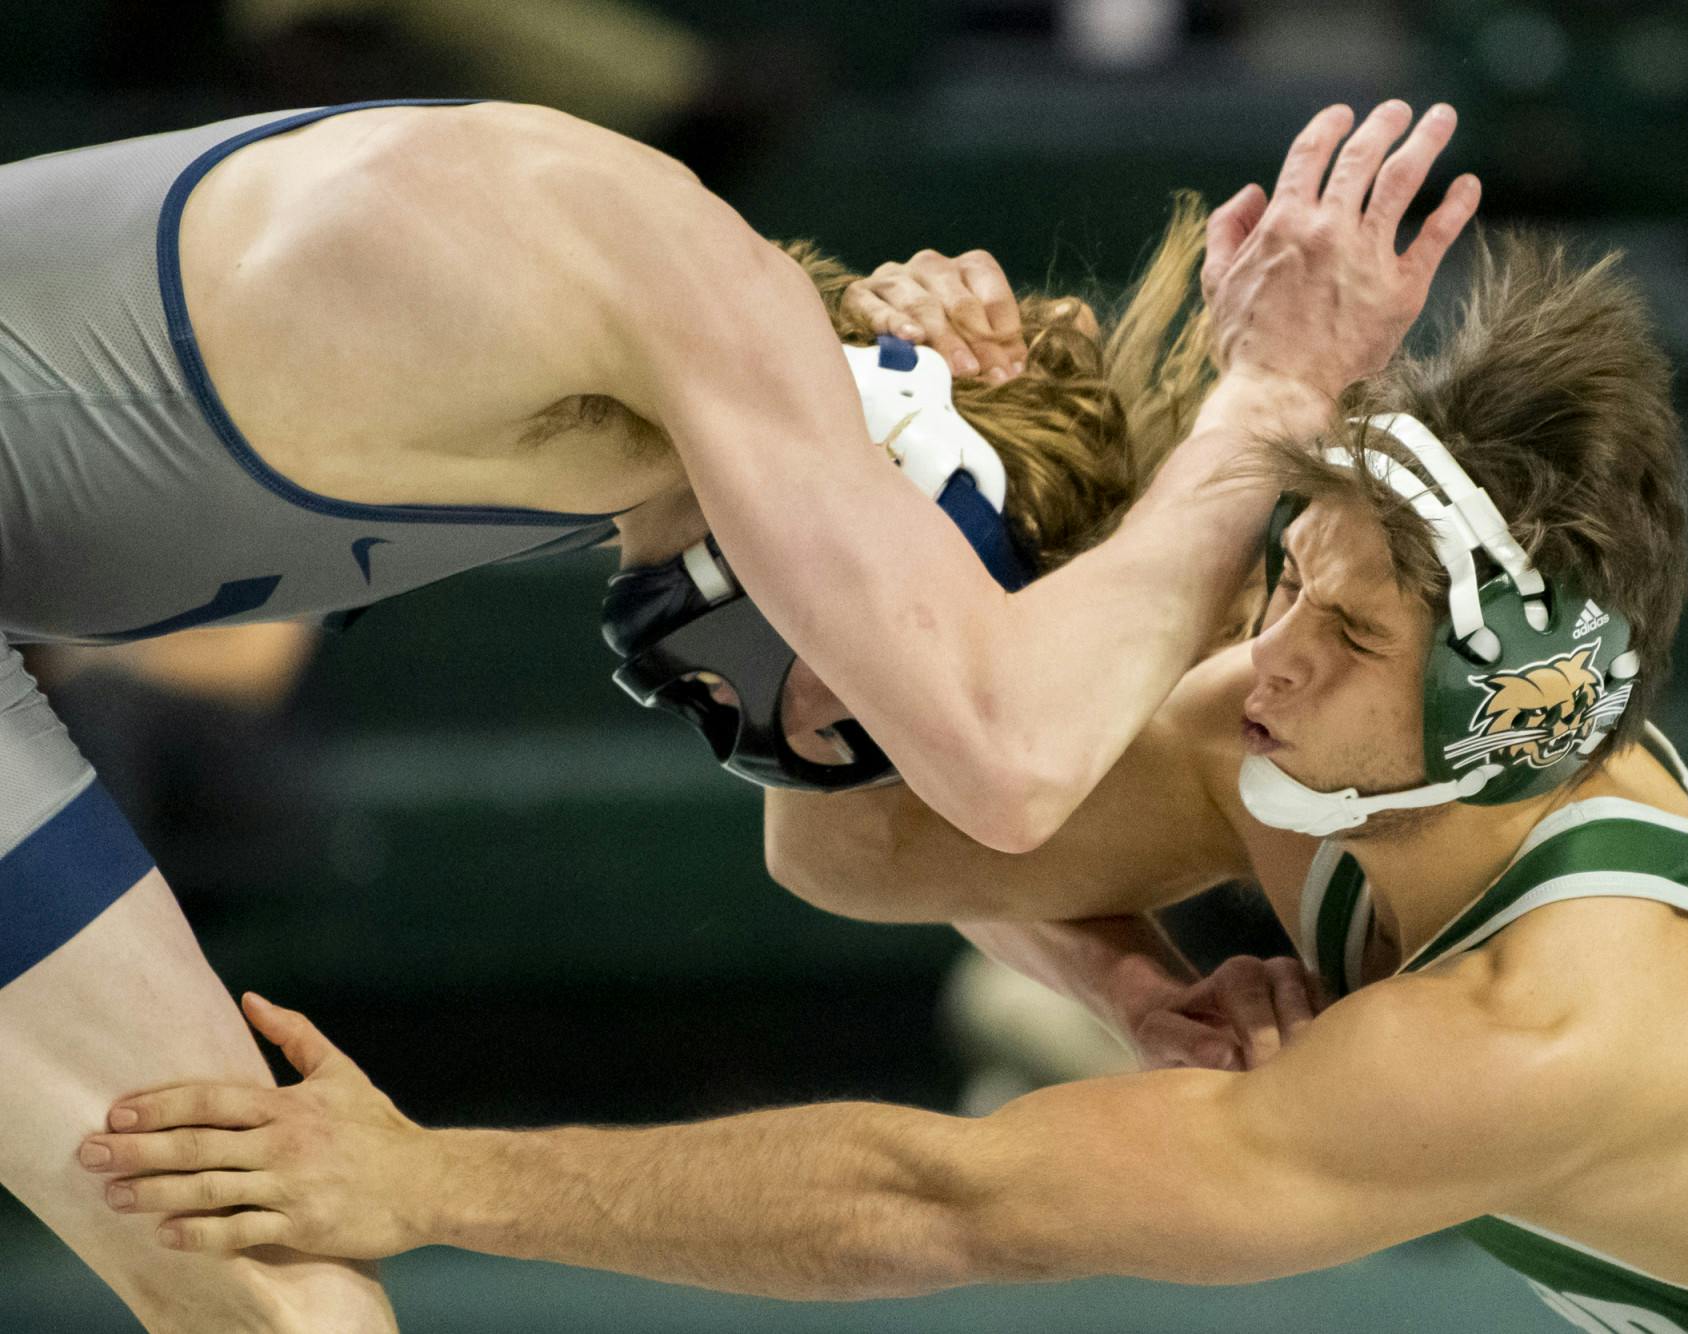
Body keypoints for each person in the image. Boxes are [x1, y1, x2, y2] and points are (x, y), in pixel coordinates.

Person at [88, 231, 1688, 1332]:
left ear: (1508, 709)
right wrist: (898, 443)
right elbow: (857, 836)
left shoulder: (1558, 1030)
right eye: (1290, 579)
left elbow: (948, 1199)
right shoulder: (1315, 743)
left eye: (1350, 637)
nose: (1272, 655)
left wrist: (431, 1179)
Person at [2, 93, 1475, 1326]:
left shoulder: (657, 401)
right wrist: (1271, 399)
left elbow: (852, 842)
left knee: (268, 1283)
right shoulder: (677, 282)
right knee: (276, 1293)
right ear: (906, 480)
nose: (813, 740)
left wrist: (1134, 993)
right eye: (875, 688)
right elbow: (1009, 763)